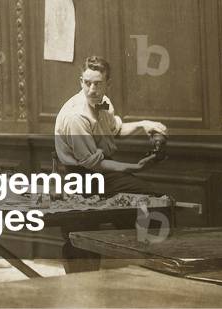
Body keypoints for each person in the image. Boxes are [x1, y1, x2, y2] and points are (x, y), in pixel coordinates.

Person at [53, 55, 168, 271]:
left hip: (102, 172)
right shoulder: (76, 116)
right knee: (81, 236)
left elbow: (114, 130)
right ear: (81, 82)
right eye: (87, 83)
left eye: (97, 83)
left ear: (108, 84)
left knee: (151, 199)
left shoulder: (103, 102)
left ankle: (145, 267)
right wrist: (136, 167)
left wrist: (145, 124)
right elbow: (93, 164)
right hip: (78, 176)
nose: (92, 89)